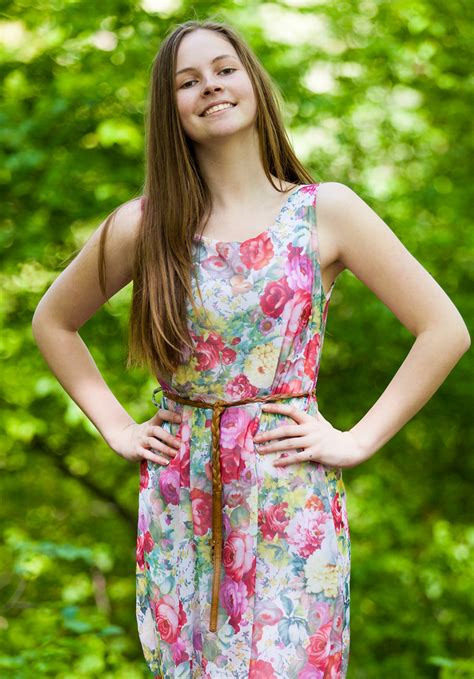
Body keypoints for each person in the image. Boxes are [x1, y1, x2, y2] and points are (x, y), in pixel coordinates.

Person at [31, 17, 470, 679]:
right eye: (188, 81)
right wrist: (117, 427)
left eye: (224, 69)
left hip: (290, 498)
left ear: (253, 82)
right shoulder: (144, 226)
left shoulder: (326, 212)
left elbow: (445, 330)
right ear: (168, 108)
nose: (211, 86)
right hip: (183, 499)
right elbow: (53, 322)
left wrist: (357, 438)